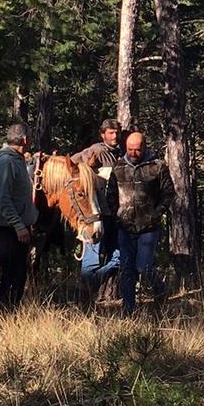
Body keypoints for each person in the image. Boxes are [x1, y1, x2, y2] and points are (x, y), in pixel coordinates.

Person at [104, 129, 174, 315]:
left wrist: (156, 214)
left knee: (144, 266)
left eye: (137, 150)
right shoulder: (118, 168)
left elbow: (168, 194)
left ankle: (161, 293)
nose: (133, 153)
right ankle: (129, 310)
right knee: (127, 269)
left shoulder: (157, 167)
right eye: (130, 149)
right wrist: (117, 215)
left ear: (144, 147)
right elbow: (110, 196)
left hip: (148, 228)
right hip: (125, 228)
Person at [0, 120, 38, 312]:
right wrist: (18, 225)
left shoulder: (17, 159)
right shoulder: (7, 161)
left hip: (17, 229)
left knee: (18, 275)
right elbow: (3, 199)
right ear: (24, 139)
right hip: (8, 230)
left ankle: (10, 314)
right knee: (9, 275)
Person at [72, 117, 122, 294]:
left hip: (112, 216)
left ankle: (91, 285)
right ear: (103, 135)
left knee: (119, 255)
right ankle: (86, 290)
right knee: (91, 260)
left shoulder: (119, 154)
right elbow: (72, 165)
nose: (115, 136)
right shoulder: (96, 151)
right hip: (94, 216)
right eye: (111, 133)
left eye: (117, 132)